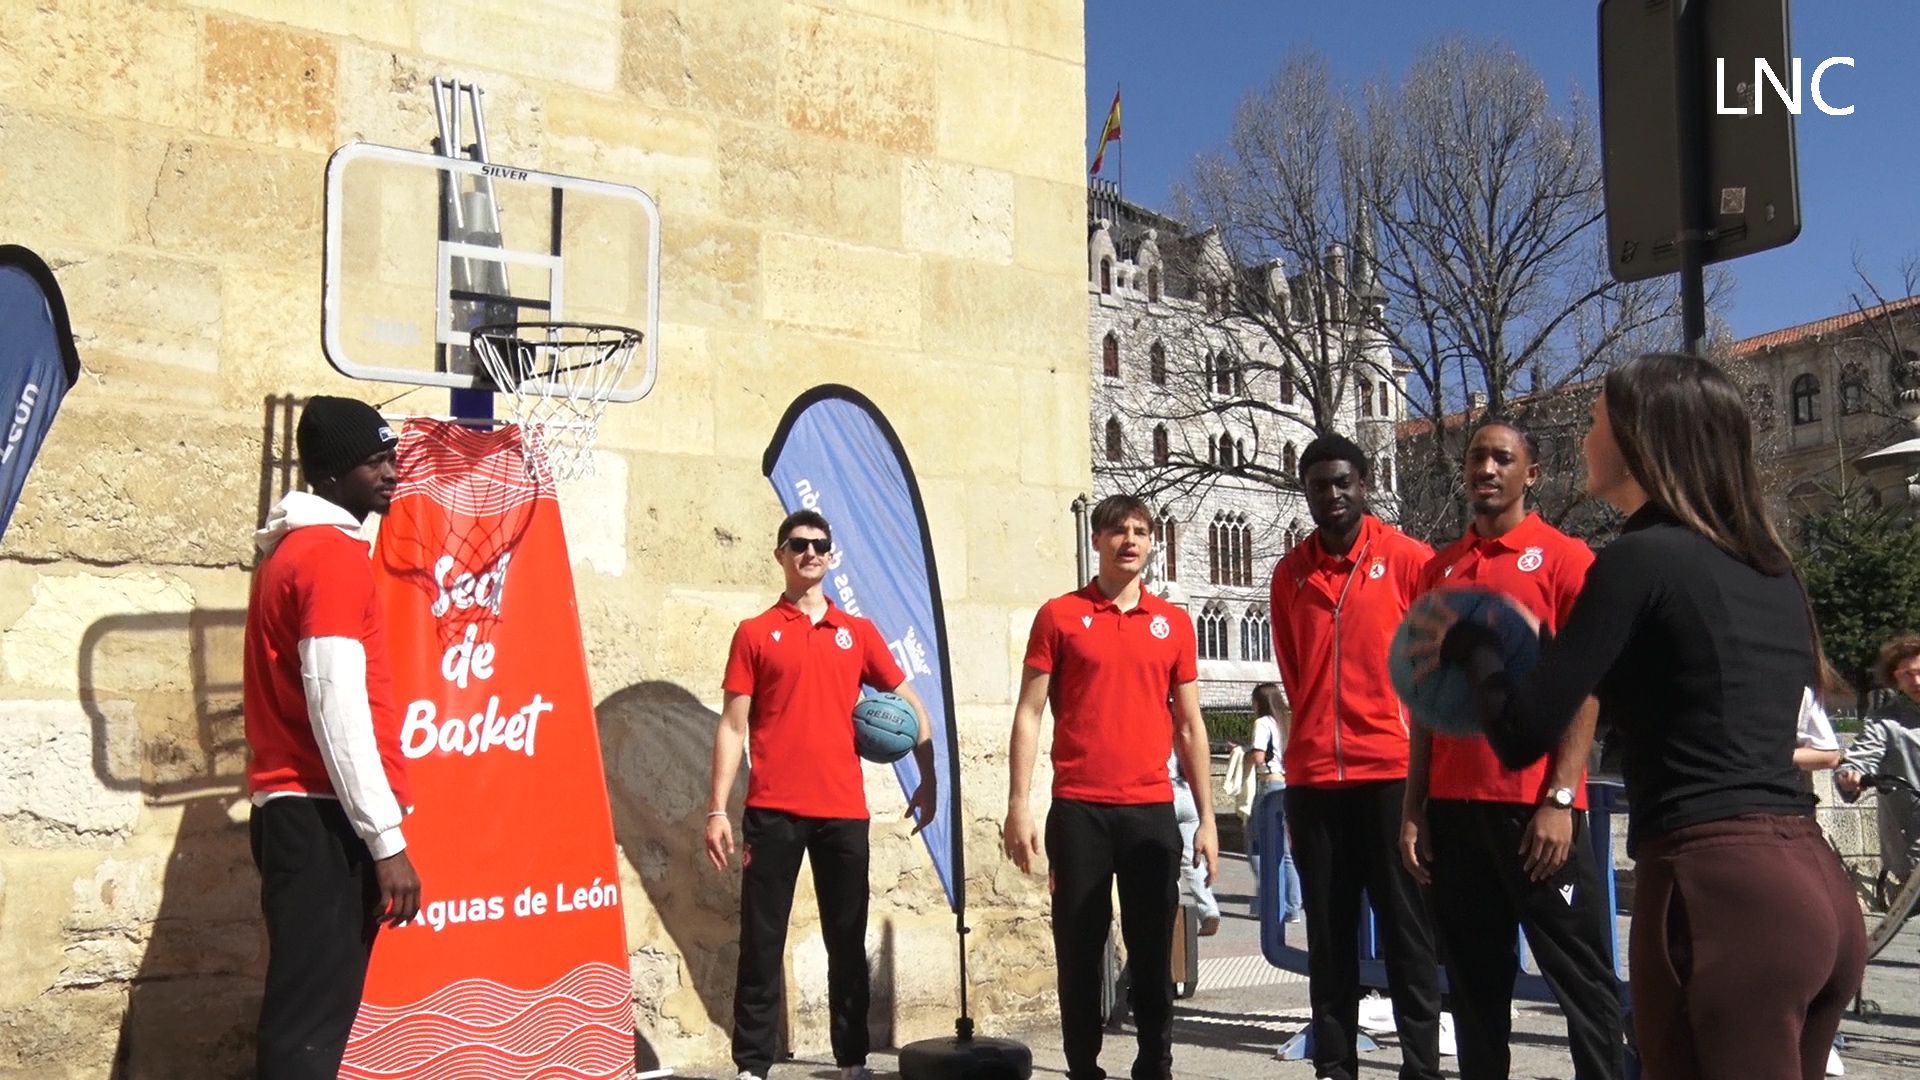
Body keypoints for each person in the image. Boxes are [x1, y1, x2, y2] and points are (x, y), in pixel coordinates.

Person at [1405, 352, 1867, 1080]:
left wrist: (1479, 645)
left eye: (1595, 421)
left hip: (1719, 888)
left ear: (1637, 439)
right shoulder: (1770, 566)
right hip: (1814, 886)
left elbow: (1521, 732)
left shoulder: (1637, 561)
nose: (1586, 438)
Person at [1398, 417, 1624, 1080]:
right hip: (1454, 812)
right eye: (1477, 457)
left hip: (1533, 811)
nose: (1486, 469)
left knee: (1580, 978)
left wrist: (1560, 797)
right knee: (1473, 989)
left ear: (1533, 474)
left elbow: (1589, 688)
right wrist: (1414, 807)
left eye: (1502, 458)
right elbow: (1426, 698)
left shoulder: (1565, 559)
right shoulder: (1438, 569)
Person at [707, 510, 938, 1080]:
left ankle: (852, 1060)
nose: (809, 552)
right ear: (781, 555)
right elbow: (732, 726)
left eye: (819, 545)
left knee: (847, 942)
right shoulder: (755, 632)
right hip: (773, 810)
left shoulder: (857, 633)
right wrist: (716, 808)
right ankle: (752, 1065)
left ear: (830, 557)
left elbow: (910, 704)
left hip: (842, 813)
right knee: (762, 942)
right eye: (798, 544)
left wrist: (929, 776)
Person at [1004, 494, 1217, 1080]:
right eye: (1118, 530)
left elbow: (1190, 725)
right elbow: (1029, 712)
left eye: (1141, 531)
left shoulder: (1173, 623)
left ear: (1152, 542)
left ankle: (1155, 1065)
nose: (1130, 540)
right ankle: (1083, 1068)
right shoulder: (1059, 616)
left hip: (1150, 810)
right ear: (1097, 540)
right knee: (1077, 951)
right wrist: (1019, 805)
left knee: (1152, 952)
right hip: (1080, 810)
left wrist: (1207, 818)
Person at [243, 396, 422, 1080]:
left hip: (301, 814)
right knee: (308, 1031)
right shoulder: (328, 556)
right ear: (331, 472)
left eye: (391, 457)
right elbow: (336, 707)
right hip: (321, 819)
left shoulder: (296, 551)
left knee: (308, 1017)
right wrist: (387, 843)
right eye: (374, 461)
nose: (391, 472)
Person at [1269, 434, 1443, 1080]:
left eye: (1343, 482)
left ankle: (1421, 1068)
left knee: (1407, 935)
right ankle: (1335, 1068)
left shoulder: (1409, 560)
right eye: (1319, 485)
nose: (1332, 495)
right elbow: (1294, 672)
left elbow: (1433, 672)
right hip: (1316, 782)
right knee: (1329, 940)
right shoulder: (1289, 574)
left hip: (1392, 776)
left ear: (1364, 485)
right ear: (1306, 492)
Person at [1837, 635, 1920, 893]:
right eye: (1907, 674)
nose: (1916, 681)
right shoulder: (1885, 723)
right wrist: (1850, 776)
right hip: (1914, 849)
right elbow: (1859, 759)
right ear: (1896, 679)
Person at [1246, 683, 1302, 924]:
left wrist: (1243, 755)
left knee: (1256, 845)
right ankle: (1292, 906)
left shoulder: (1262, 723)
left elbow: (1259, 756)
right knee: (1286, 851)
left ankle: (1266, 901)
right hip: (1285, 783)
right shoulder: (1285, 723)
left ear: (1259, 702)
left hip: (1268, 784)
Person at [1170, 747, 1222, 935]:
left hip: (1166, 794)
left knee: (1168, 857)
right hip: (1187, 793)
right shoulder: (1180, 739)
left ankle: (1172, 912)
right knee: (1192, 859)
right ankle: (1209, 911)